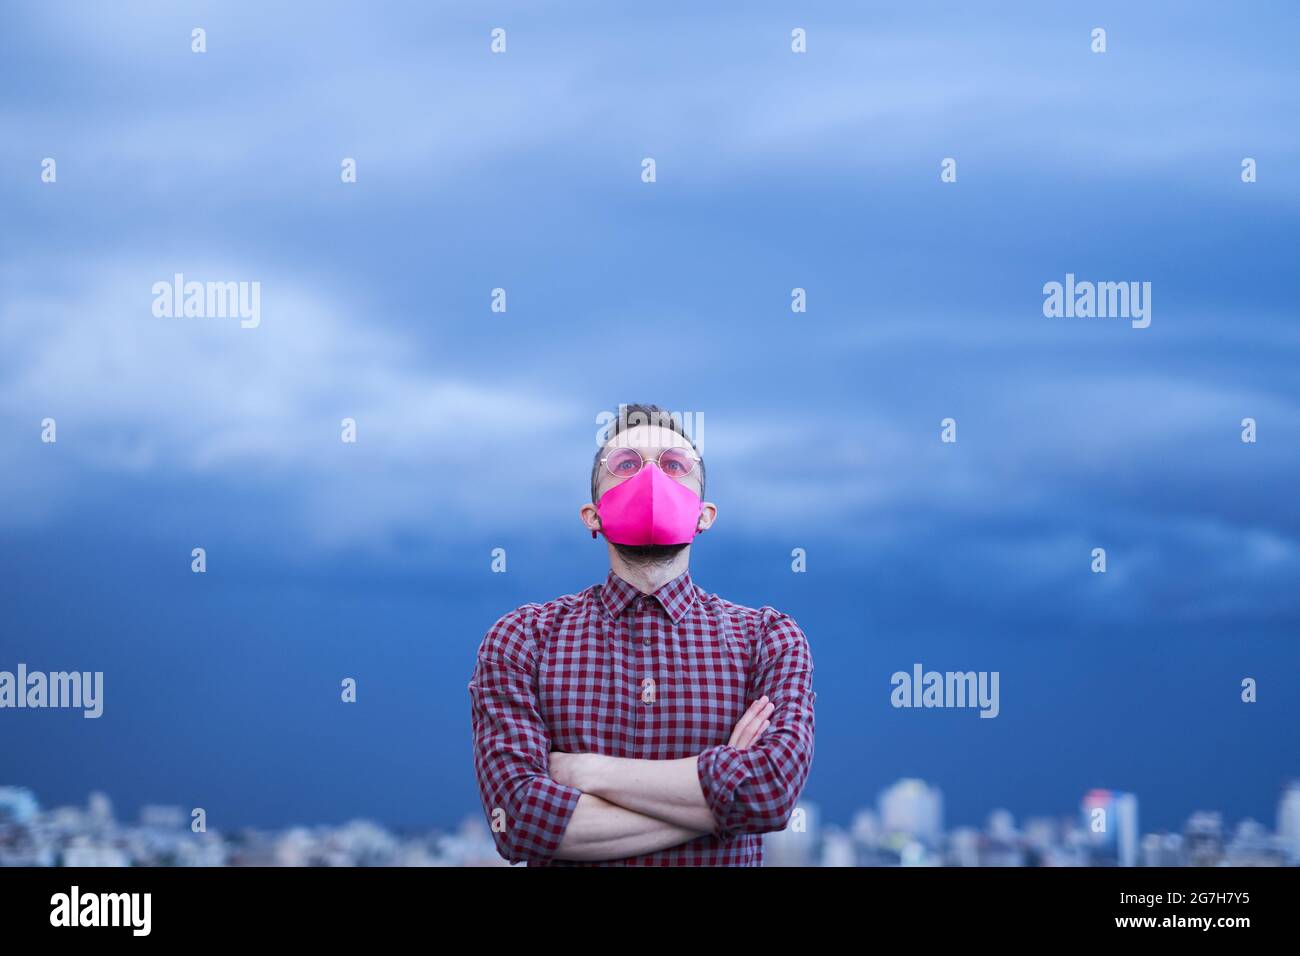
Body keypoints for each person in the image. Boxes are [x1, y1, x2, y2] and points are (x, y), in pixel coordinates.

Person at [469, 404, 815, 865]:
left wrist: (587, 771)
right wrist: (724, 795)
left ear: (704, 515)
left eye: (673, 465)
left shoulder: (768, 639)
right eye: (626, 465)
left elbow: (771, 791)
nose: (651, 477)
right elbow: (519, 822)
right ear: (592, 515)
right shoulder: (523, 639)